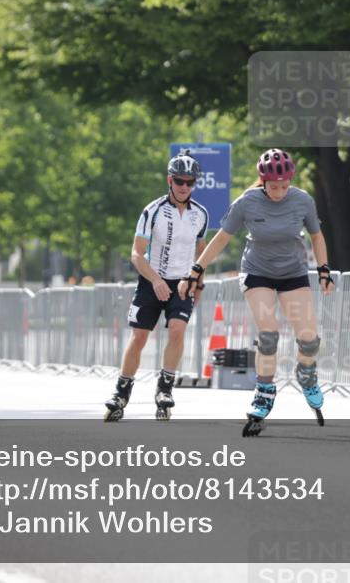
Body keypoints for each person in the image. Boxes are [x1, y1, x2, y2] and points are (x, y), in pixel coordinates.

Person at [179, 148, 334, 436]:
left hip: (293, 272)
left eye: (284, 186)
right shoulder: (247, 202)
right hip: (257, 271)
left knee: (309, 339)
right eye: (273, 187)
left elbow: (316, 235)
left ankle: (307, 374)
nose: (279, 192)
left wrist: (323, 269)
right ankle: (264, 391)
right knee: (268, 333)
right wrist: (196, 270)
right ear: (262, 181)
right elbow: (222, 237)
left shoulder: (302, 201)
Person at [104, 150, 209, 422]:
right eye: (179, 181)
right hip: (152, 279)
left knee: (177, 331)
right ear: (169, 180)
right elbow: (137, 254)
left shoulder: (201, 215)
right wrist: (156, 280)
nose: (184, 187)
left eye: (190, 182)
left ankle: (164, 389)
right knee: (139, 337)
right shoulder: (152, 211)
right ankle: (121, 391)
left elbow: (202, 254)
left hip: (183, 283)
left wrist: (198, 285)